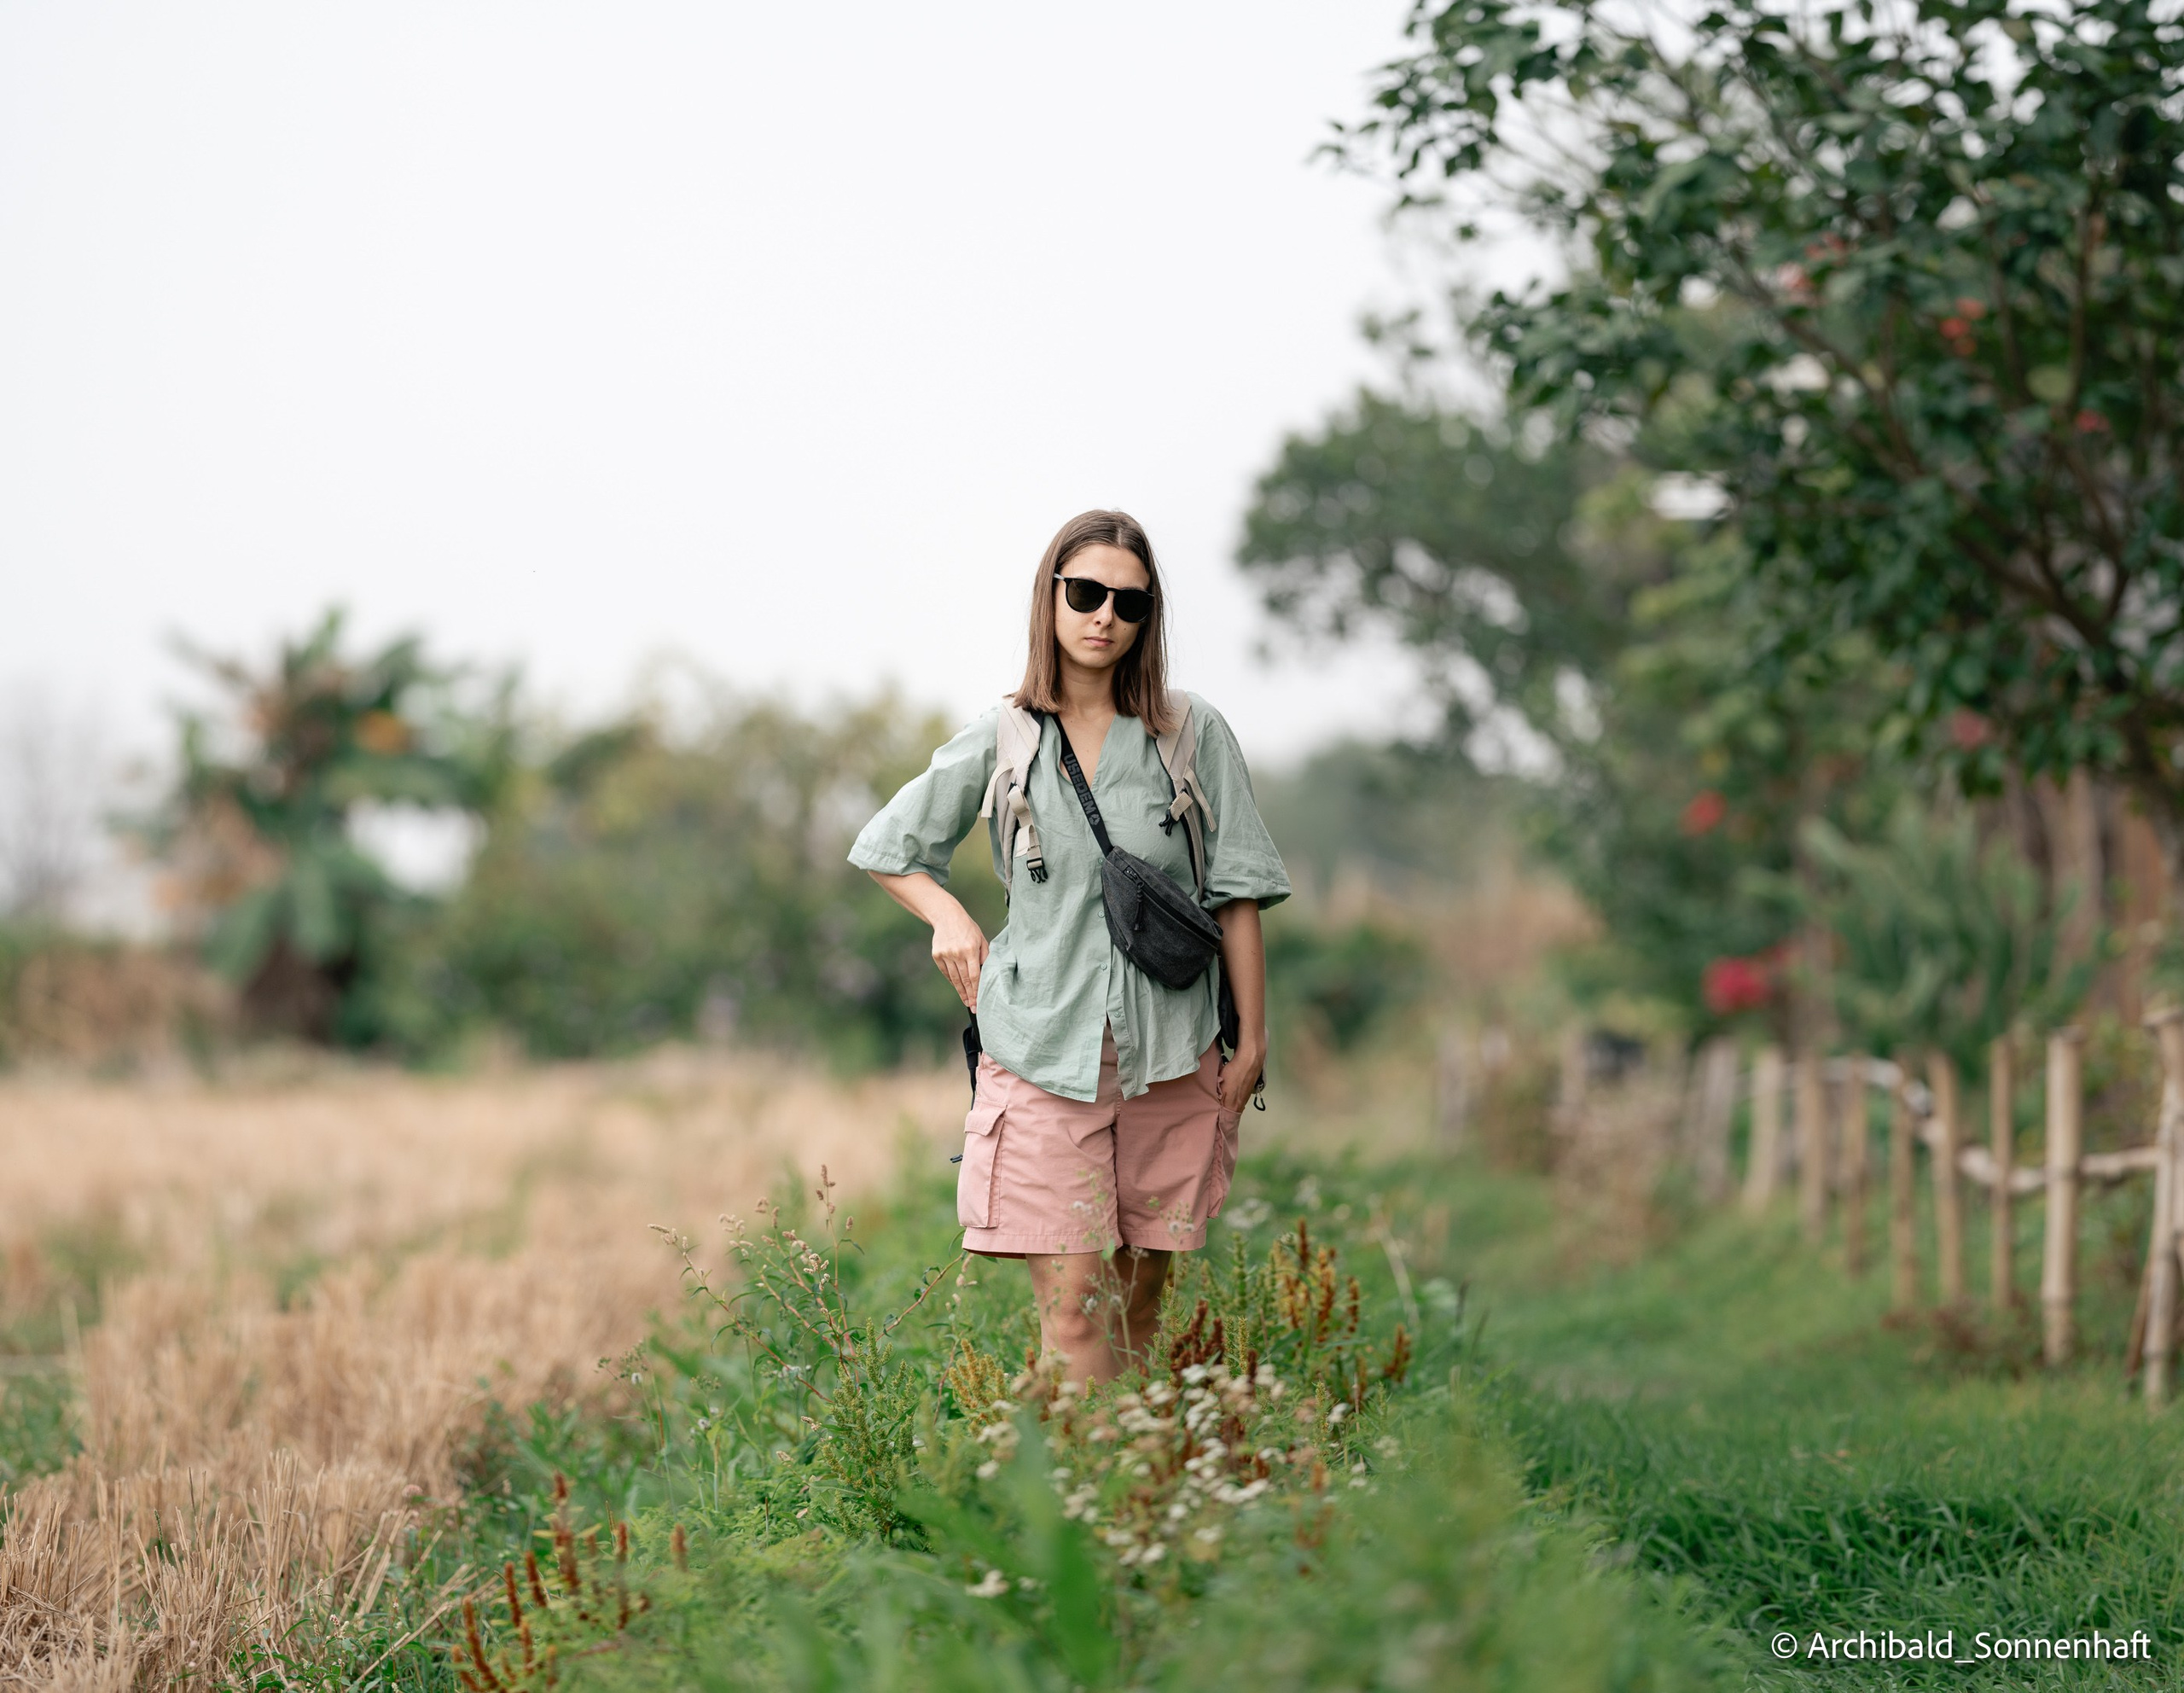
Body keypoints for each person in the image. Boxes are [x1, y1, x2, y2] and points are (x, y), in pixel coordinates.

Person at [850, 509, 1289, 1383]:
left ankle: (1122, 1496)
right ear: (1050, 598)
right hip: (1041, 1055)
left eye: (1128, 603)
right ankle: (1067, 1513)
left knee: (1135, 1313)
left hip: (1171, 1056)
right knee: (1076, 1315)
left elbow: (1238, 893)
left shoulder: (1191, 734)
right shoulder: (1006, 735)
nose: (1104, 617)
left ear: (1146, 617)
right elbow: (886, 849)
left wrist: (1253, 1045)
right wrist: (948, 914)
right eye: (1085, 593)